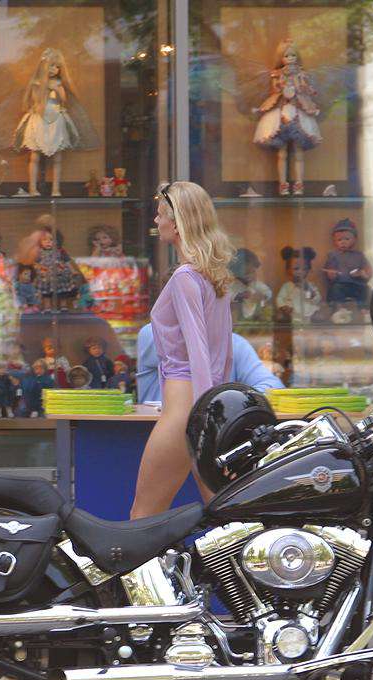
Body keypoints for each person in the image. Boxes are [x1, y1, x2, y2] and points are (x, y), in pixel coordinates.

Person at [129, 181, 234, 520]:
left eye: (161, 215)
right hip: (204, 404)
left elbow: (198, 350)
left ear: (177, 225)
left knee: (143, 516)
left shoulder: (185, 277)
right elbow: (223, 352)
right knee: (225, 514)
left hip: (184, 410)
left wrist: (202, 417)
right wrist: (215, 409)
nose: (156, 222)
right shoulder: (213, 276)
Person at [136, 323, 283, 403]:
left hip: (212, 437)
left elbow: (273, 387)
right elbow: (192, 348)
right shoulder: (152, 333)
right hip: (152, 431)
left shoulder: (235, 343)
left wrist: (234, 402)